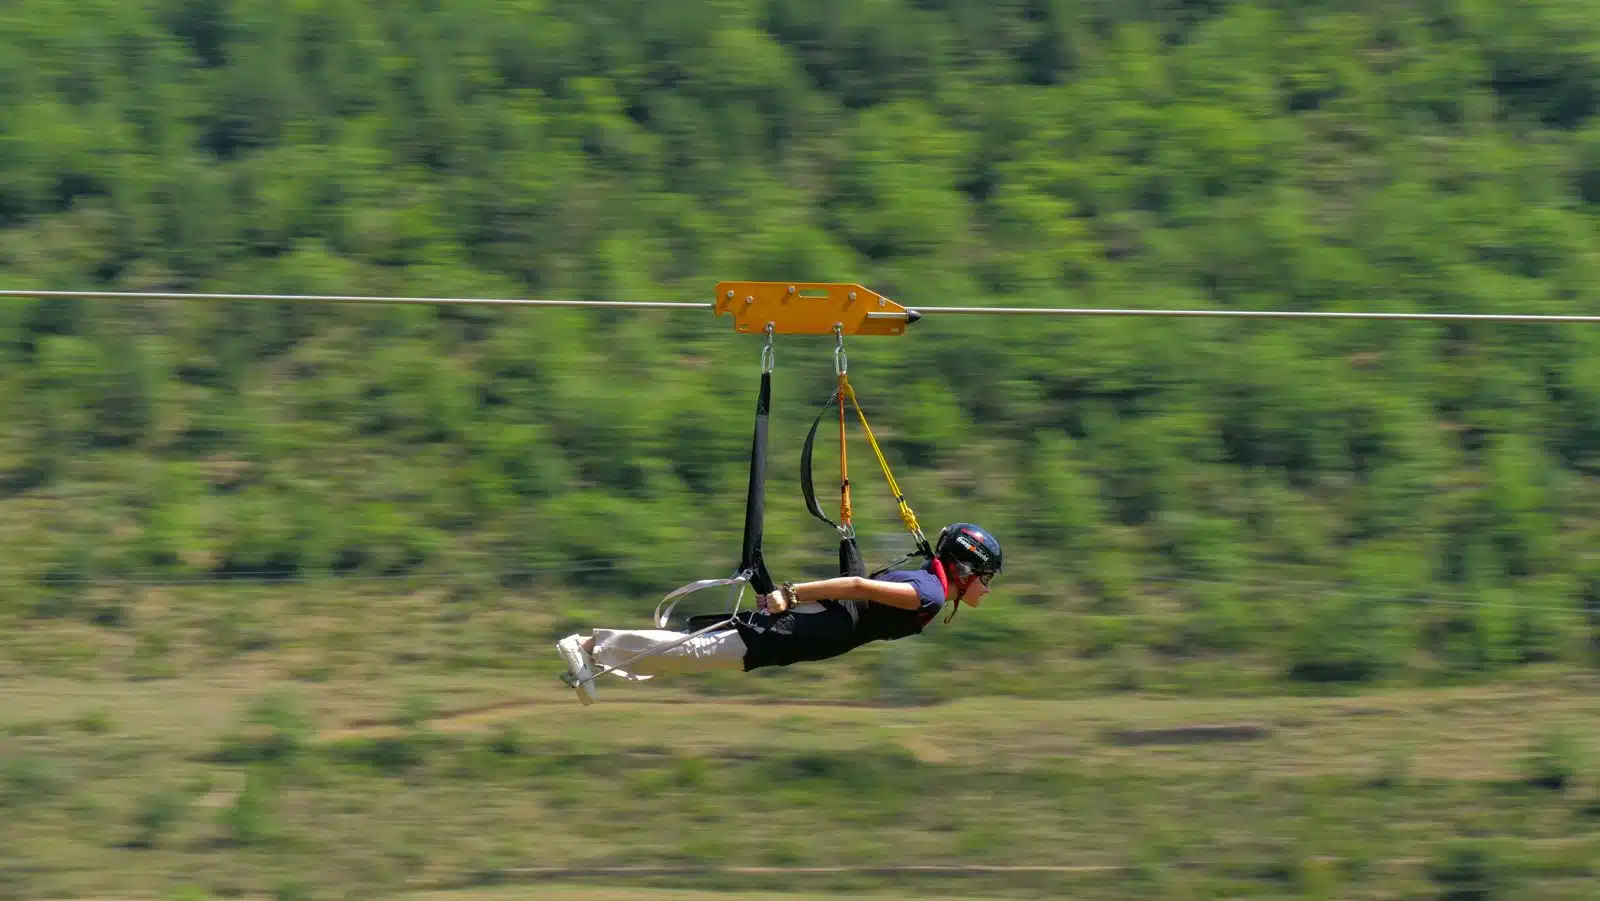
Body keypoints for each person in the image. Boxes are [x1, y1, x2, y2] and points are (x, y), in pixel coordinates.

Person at [554, 523, 1002, 705]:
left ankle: (598, 652)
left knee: (703, 649)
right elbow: (859, 588)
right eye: (986, 576)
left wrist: (847, 541)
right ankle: (589, 647)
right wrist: (790, 594)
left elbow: (861, 593)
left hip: (814, 633)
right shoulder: (930, 595)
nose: (987, 586)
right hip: (806, 627)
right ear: (964, 571)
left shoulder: (927, 585)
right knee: (700, 651)